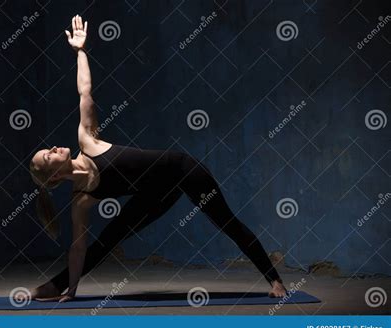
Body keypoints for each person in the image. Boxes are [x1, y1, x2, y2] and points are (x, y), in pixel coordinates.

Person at [24, 15, 287, 303]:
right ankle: (60, 286)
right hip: (155, 193)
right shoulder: (81, 200)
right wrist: (74, 290)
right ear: (54, 177)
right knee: (111, 235)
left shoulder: (87, 140)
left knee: (226, 222)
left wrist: (80, 51)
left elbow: (84, 91)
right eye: (47, 156)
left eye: (46, 149)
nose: (51, 148)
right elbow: (78, 248)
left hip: (183, 170)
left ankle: (274, 279)